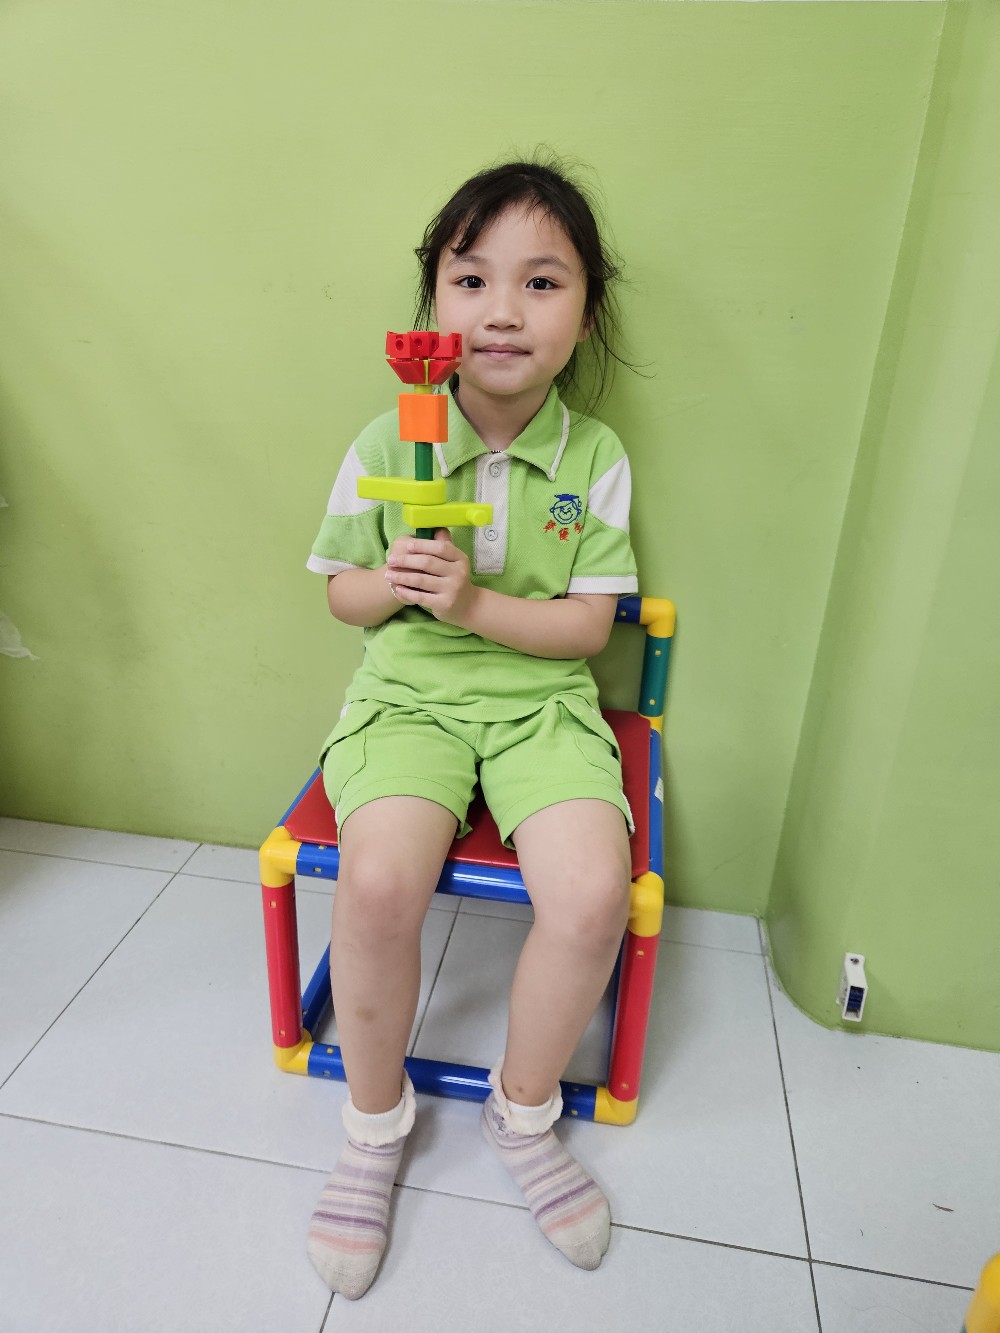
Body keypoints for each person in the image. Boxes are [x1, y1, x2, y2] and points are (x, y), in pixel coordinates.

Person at [304, 158, 639, 1299]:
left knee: (589, 896)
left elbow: (586, 628)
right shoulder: (383, 444)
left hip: (542, 703)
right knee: (377, 883)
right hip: (408, 697)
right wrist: (394, 581)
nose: (502, 310)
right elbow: (341, 598)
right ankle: (373, 1125)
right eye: (470, 278)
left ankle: (522, 1114)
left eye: (541, 282)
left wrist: (473, 603)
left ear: (583, 313)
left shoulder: (593, 459)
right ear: (432, 305)